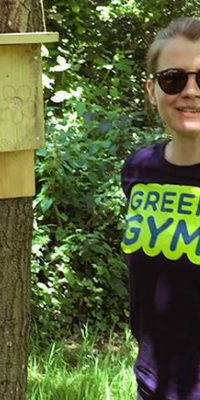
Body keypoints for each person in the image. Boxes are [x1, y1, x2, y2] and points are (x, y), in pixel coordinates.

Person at [121, 17, 200, 400]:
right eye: (174, 79)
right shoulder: (138, 170)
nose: (190, 91)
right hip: (153, 384)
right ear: (152, 91)